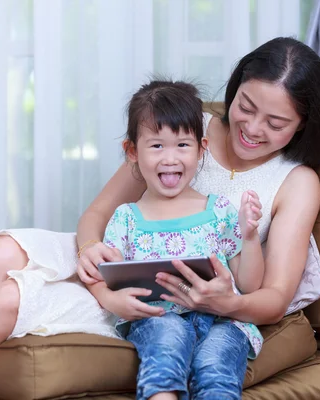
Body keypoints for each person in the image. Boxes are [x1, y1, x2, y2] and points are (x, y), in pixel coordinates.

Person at [0, 37, 320, 399]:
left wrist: (226, 304)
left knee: (10, 296)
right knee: (4, 251)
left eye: (276, 124)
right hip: (121, 251)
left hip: (162, 301)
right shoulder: (190, 131)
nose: (251, 129)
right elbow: (99, 214)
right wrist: (89, 251)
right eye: (246, 107)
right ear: (234, 91)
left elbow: (273, 297)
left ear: (302, 125)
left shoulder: (295, 181)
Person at [89, 79, 265, 400]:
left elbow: (251, 284)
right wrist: (113, 301)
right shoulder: (127, 218)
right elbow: (103, 276)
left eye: (183, 145)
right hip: (159, 318)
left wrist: (250, 236)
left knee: (216, 369)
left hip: (221, 323)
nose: (170, 158)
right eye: (157, 146)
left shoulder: (219, 211)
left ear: (202, 149)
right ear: (132, 151)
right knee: (166, 343)